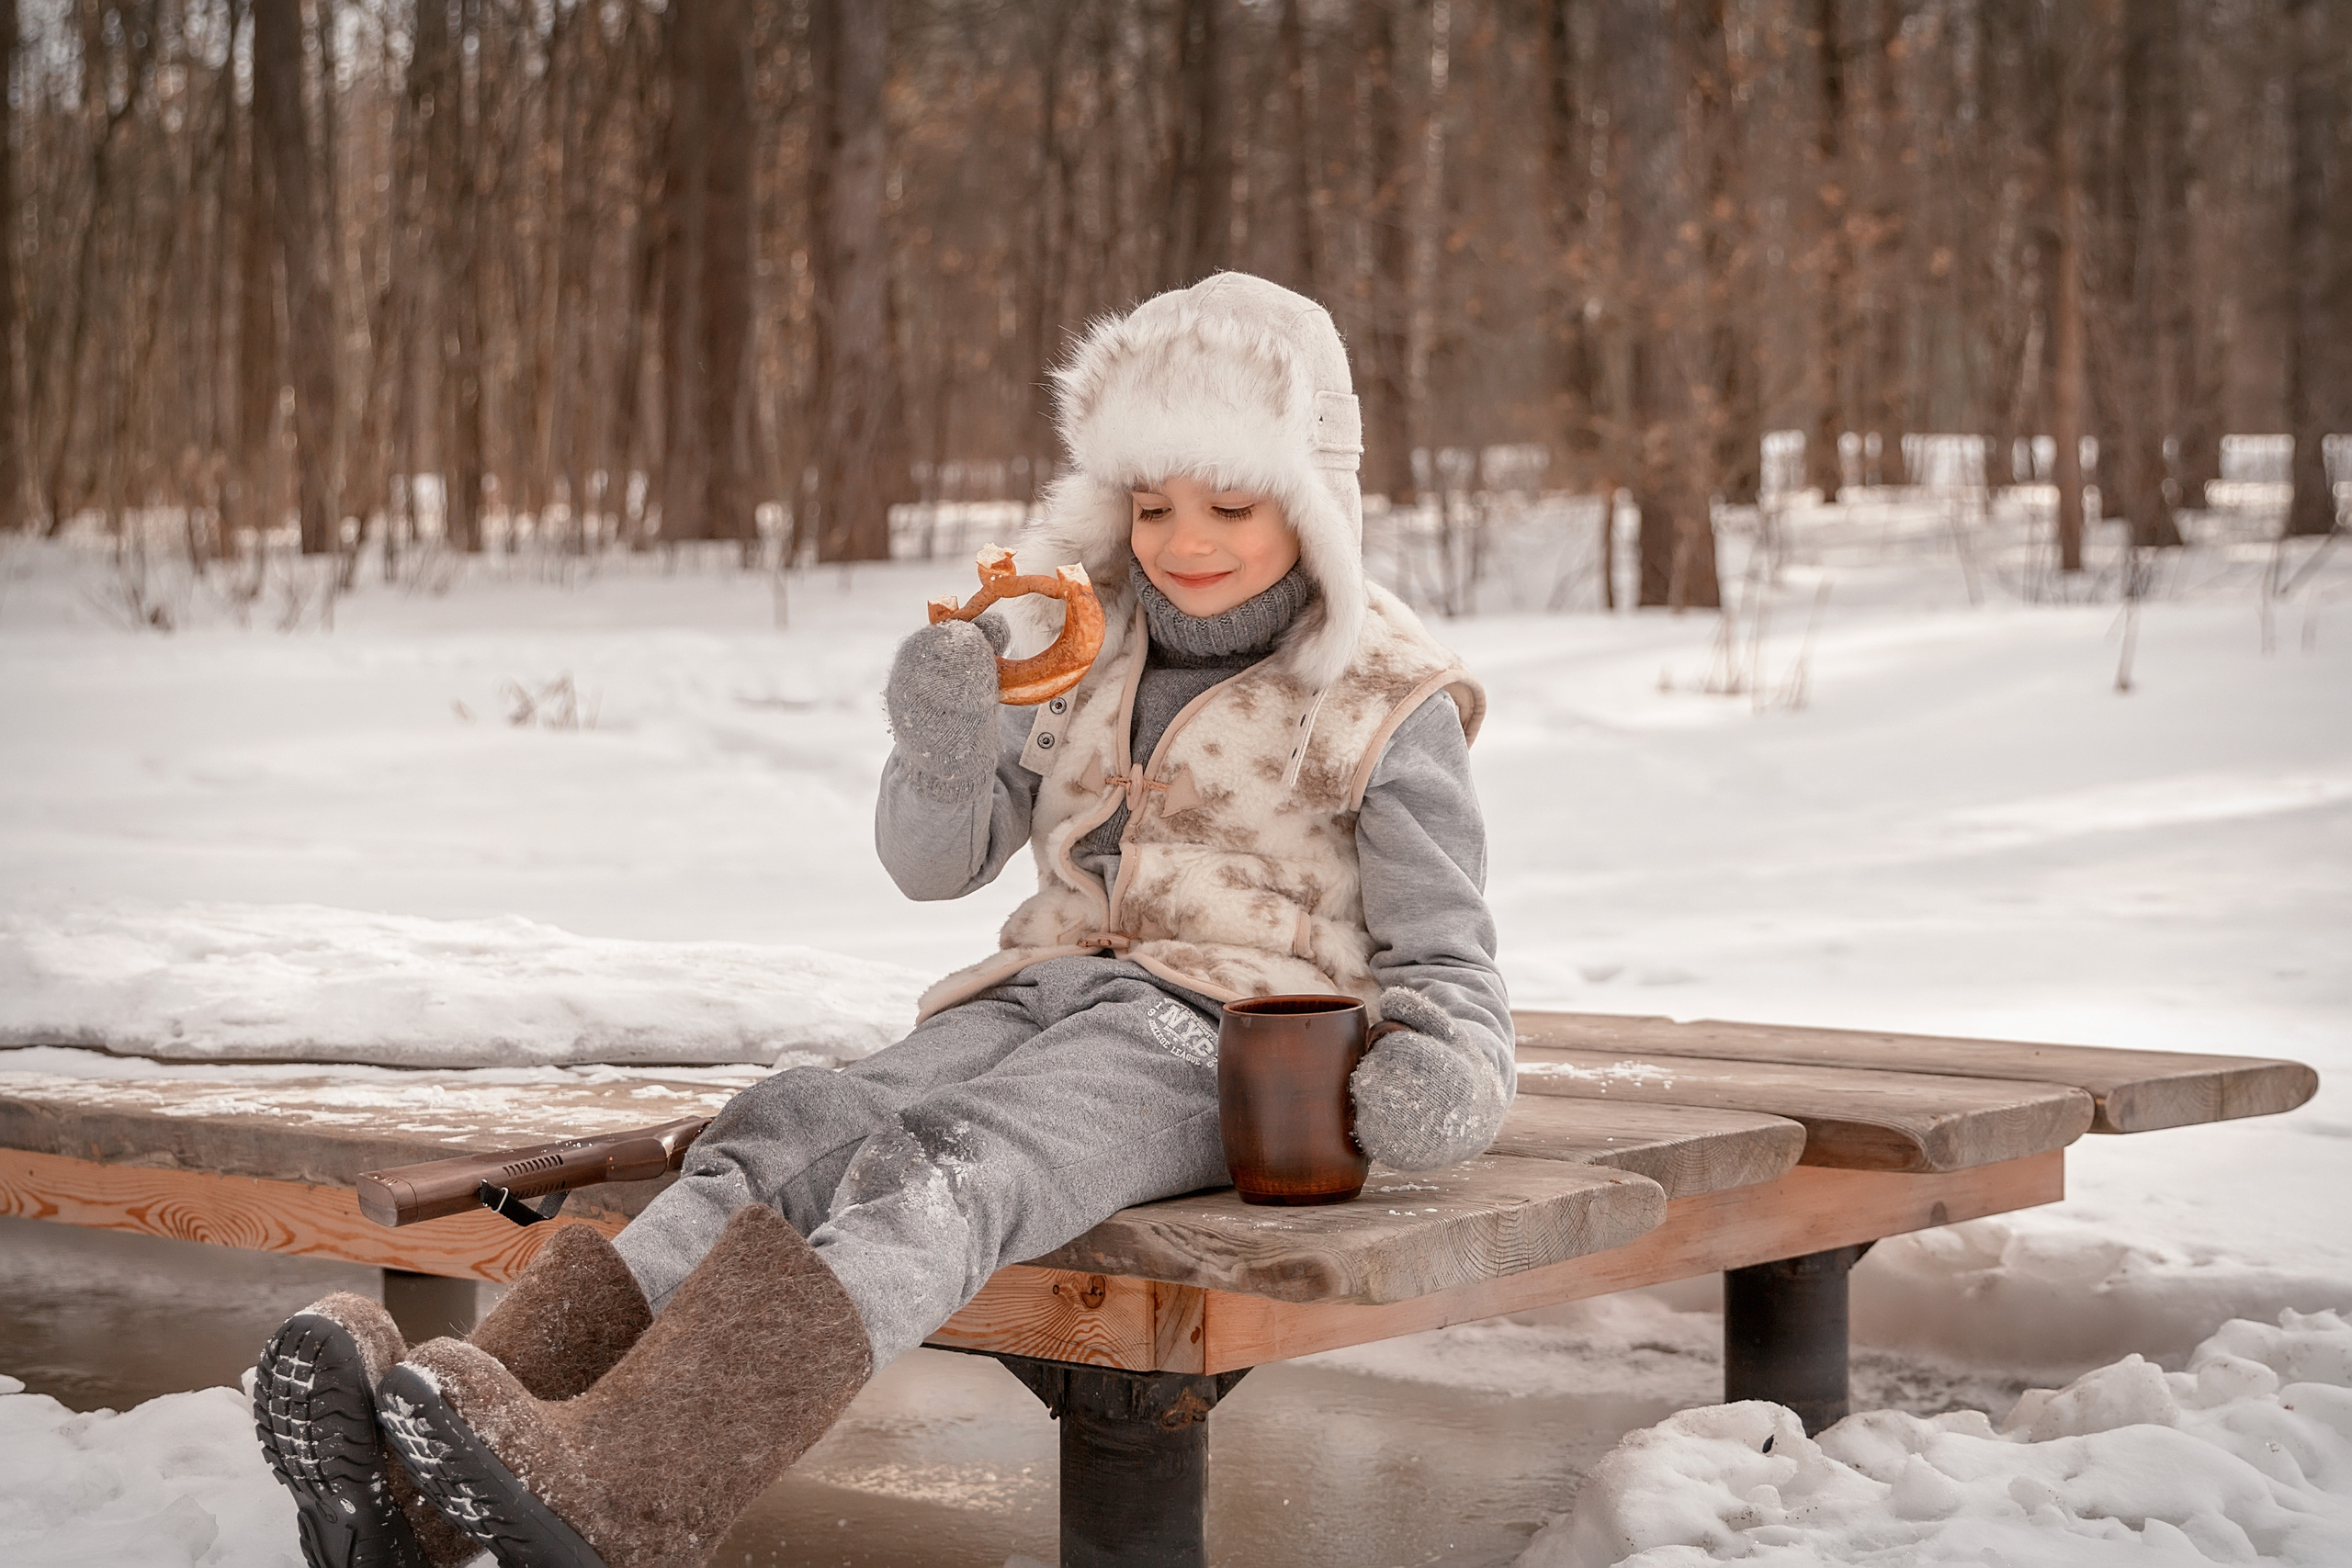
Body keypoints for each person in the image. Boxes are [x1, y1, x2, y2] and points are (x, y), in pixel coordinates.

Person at [251, 271, 1515, 1568]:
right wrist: (947, 747)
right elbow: (936, 865)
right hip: (1040, 992)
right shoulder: (1083, 644)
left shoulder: (1381, 697)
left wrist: (1448, 1064)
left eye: (1230, 504)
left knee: (948, 1167)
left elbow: (1449, 953)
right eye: (1152, 505)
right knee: (787, 1125)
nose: (1183, 540)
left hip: (1222, 1042)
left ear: (1312, 502)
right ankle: (439, 1457)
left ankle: (622, 1495)